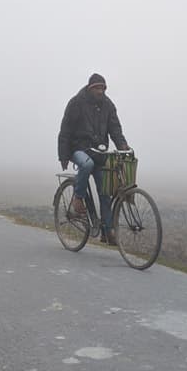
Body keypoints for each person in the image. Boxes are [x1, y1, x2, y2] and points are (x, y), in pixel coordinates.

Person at [58, 73, 130, 245]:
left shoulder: (108, 105)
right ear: (90, 89)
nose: (100, 91)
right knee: (87, 164)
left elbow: (115, 128)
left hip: (99, 153)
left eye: (102, 88)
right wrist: (63, 155)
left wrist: (122, 145)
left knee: (105, 192)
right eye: (97, 88)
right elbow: (65, 130)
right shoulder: (76, 102)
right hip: (79, 149)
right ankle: (78, 198)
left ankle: (107, 231)